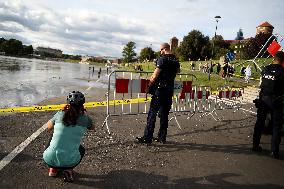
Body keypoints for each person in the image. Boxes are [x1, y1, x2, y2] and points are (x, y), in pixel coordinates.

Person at [43, 91, 95, 182]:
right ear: (82, 104)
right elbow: (92, 127)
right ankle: (68, 169)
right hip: (69, 161)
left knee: (53, 137)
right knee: (81, 149)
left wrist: (60, 111)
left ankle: (53, 169)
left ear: (68, 103)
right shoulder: (85, 118)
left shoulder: (60, 113)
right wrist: (85, 115)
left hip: (49, 159)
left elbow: (48, 127)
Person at [136, 43, 180, 144]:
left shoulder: (162, 59)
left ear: (164, 49)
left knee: (152, 113)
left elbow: (155, 75)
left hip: (160, 90)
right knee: (164, 115)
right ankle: (162, 137)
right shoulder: (176, 60)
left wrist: (148, 86)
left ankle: (147, 137)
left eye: (161, 50)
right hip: (169, 90)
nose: (160, 52)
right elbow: (178, 71)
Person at [252, 51, 284, 159]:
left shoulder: (265, 69)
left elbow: (261, 84)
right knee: (276, 126)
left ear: (274, 58)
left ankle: (255, 145)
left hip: (263, 99)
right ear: (282, 61)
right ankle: (274, 151)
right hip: (276, 101)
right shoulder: (283, 71)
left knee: (259, 122)